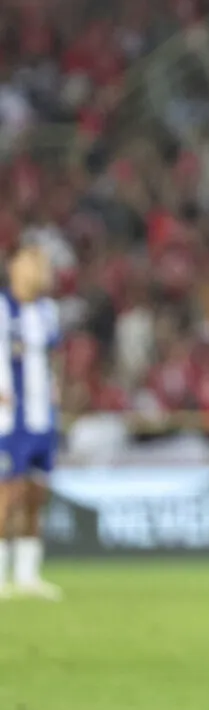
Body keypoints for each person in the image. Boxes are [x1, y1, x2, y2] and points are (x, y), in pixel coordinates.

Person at [0, 243, 64, 600]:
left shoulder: (47, 310)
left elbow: (54, 354)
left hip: (43, 416)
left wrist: (57, 388)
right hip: (10, 417)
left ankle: (28, 575)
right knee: (7, 493)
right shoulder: (2, 307)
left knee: (37, 494)